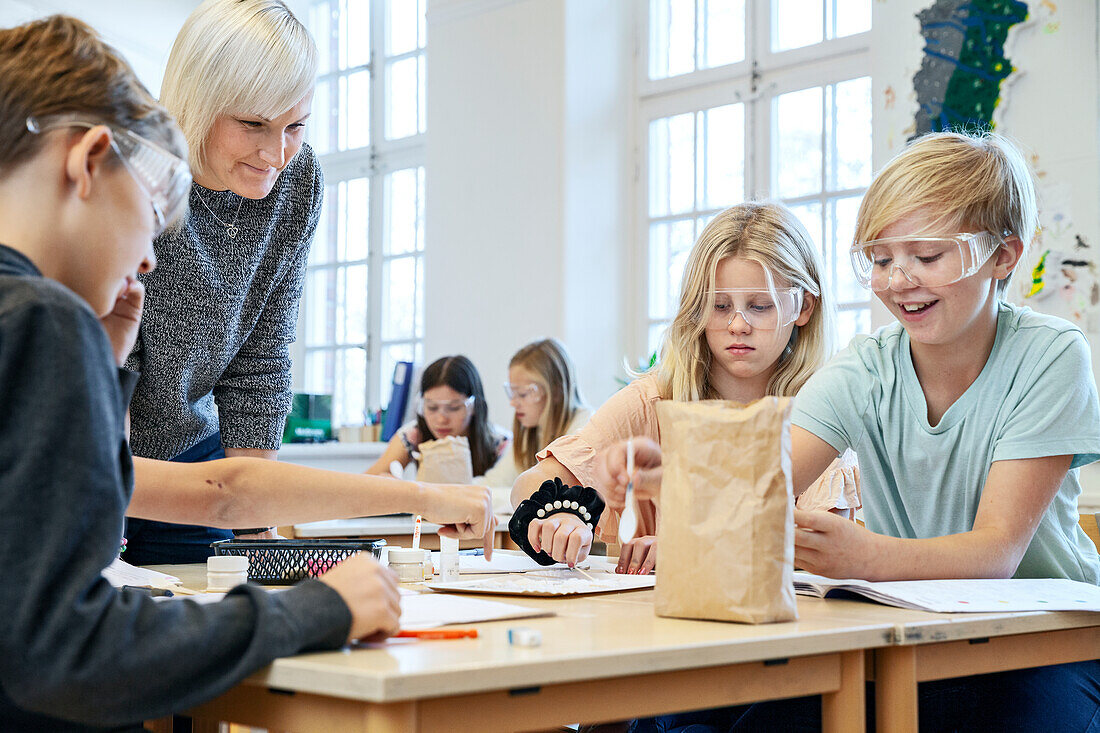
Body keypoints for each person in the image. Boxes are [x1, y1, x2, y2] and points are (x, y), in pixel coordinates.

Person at [0, 16, 493, 730]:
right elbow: (70, 646)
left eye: (295, 127)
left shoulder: (44, 324)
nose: (148, 256)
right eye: (152, 211)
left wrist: (101, 372)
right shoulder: (45, 323)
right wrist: (315, 607)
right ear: (90, 160)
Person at [611, 132, 1100, 731]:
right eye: (881, 258)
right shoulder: (866, 366)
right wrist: (667, 480)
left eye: (927, 256)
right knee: (740, 717)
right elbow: (759, 479)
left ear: (1003, 256)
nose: (898, 280)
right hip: (913, 635)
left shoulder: (1051, 356)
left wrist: (865, 557)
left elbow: (995, 552)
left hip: (1049, 642)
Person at [510, 202, 860, 572]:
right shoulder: (652, 401)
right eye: (719, 306)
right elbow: (530, 484)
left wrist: (688, 548)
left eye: (759, 306)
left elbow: (819, 551)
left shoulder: (821, 410)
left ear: (804, 307)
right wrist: (555, 517)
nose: (738, 325)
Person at [124, 0, 325, 564]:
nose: (275, 154)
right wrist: (98, 497)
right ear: (199, 101)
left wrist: (254, 518)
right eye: (253, 124)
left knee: (209, 616)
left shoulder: (298, 181)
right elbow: (101, 354)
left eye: (295, 127)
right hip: (97, 449)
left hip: (198, 460)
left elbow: (264, 353)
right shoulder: (134, 165)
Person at [475, 338, 591, 509]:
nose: (513, 403)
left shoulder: (584, 429)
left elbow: (541, 497)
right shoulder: (531, 433)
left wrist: (479, 497)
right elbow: (494, 483)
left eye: (522, 394)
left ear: (557, 392)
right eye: (511, 393)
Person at [368, 355, 511, 479]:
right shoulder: (413, 435)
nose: (441, 419)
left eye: (453, 408)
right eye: (432, 407)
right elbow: (364, 485)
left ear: (474, 406)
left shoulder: (500, 444)